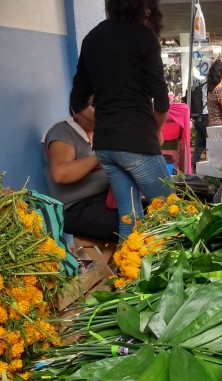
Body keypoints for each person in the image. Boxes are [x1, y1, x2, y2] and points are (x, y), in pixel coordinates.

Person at [70, 0, 173, 240]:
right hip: (137, 141)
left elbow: (77, 101)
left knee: (129, 219)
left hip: (106, 146)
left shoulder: (92, 38)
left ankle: (130, 276)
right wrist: (154, 129)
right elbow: (161, 100)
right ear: (143, 8)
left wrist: (106, 122)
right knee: (175, 214)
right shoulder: (143, 36)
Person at [43, 104, 116, 241]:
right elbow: (60, 173)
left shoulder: (100, 132)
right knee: (132, 225)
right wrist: (101, 155)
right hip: (75, 208)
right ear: (76, 110)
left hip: (104, 199)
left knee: (153, 212)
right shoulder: (63, 131)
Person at [191, 80, 209, 171]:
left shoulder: (200, 87)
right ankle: (209, 169)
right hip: (206, 117)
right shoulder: (209, 86)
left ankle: (194, 166)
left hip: (198, 118)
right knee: (211, 143)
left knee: (200, 144)